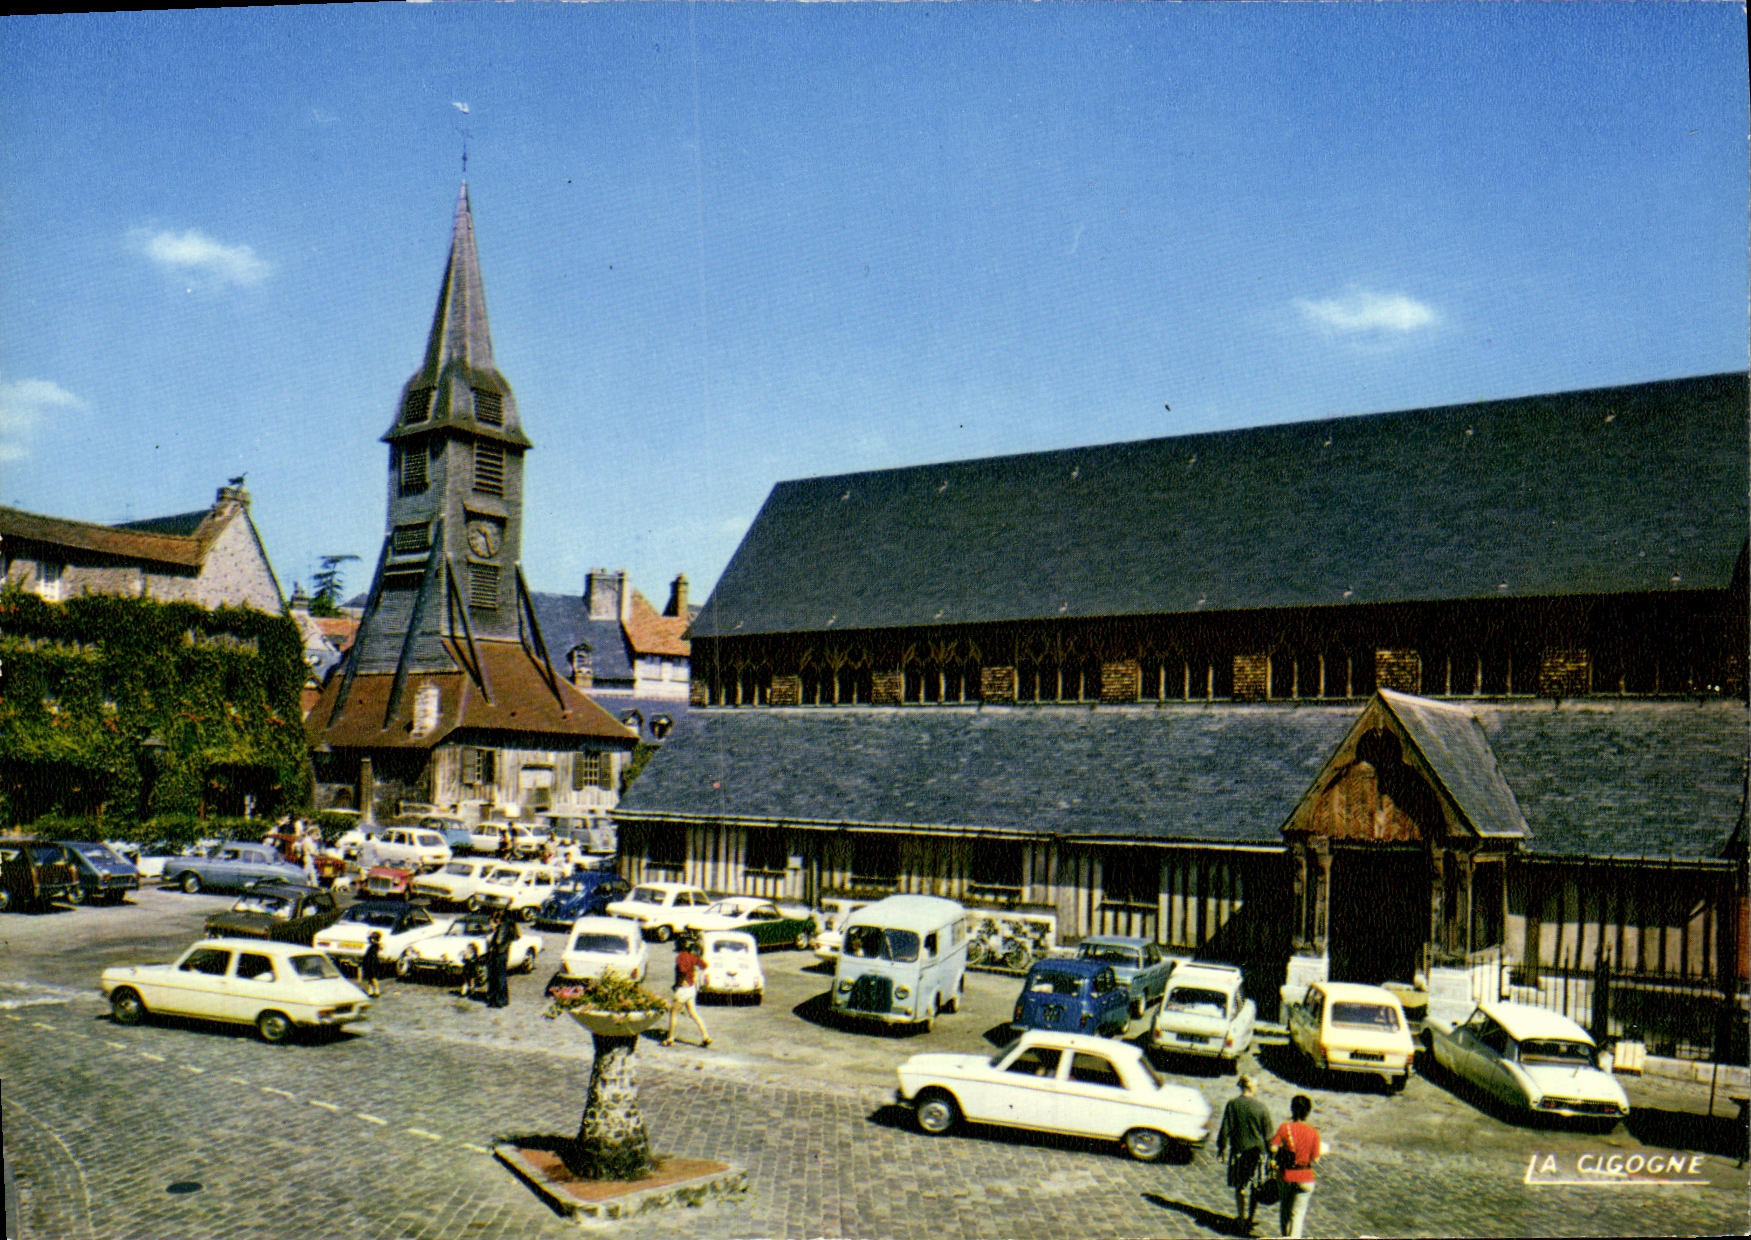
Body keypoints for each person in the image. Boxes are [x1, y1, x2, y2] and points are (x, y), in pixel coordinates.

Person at [1216, 1075, 1273, 1233]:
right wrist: (1272, 1156)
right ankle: (1251, 1217)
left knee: (1240, 1186)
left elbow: (1225, 1129)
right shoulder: (1261, 1108)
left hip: (1239, 1151)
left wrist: (1222, 1148)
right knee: (1255, 1186)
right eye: (1256, 1085)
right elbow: (1268, 1135)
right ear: (1250, 1087)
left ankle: (1241, 1217)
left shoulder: (1233, 1104)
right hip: (1257, 1153)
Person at [1269, 1094, 1321, 1239]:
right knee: (1298, 1214)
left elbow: (1273, 1147)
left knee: (1285, 1211)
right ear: (1308, 1112)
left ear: (1292, 1109)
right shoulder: (1313, 1132)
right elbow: (1315, 1159)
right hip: (1305, 1178)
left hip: (1286, 1175)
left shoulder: (1285, 1128)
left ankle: (1285, 1236)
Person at [662, 934, 711, 1048]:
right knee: (693, 1013)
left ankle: (670, 1038)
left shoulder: (681, 957)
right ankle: (706, 1036)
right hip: (691, 988)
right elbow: (704, 965)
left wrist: (680, 982)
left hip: (683, 990)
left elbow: (682, 970)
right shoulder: (693, 957)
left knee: (674, 1013)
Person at [486, 910, 517, 1009]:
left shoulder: (503, 927)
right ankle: (503, 999)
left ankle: (498, 1000)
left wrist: (494, 930)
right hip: (504, 954)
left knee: (498, 978)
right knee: (501, 977)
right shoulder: (510, 926)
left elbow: (499, 941)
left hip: (499, 954)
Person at [359, 932, 384, 998]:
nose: (371, 940)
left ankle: (376, 990)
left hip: (373, 963)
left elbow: (381, 947)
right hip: (368, 962)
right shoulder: (371, 946)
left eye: (372, 938)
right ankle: (370, 991)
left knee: (373, 977)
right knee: (369, 978)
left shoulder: (376, 946)